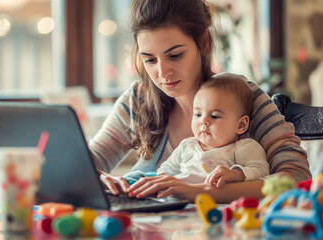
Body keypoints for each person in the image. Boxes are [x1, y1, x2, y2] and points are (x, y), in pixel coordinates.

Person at [88, 0, 310, 203]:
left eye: (174, 55)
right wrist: (95, 178)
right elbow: (88, 161)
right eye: (150, 59)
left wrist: (201, 191)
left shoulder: (243, 97)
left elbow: (297, 178)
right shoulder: (137, 100)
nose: (163, 73)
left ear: (203, 42)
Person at [156, 73, 269, 188]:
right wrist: (161, 178)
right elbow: (167, 169)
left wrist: (235, 174)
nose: (203, 121)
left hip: (214, 201)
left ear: (241, 125)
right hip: (179, 200)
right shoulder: (186, 145)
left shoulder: (243, 147)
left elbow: (261, 170)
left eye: (214, 116)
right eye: (198, 114)